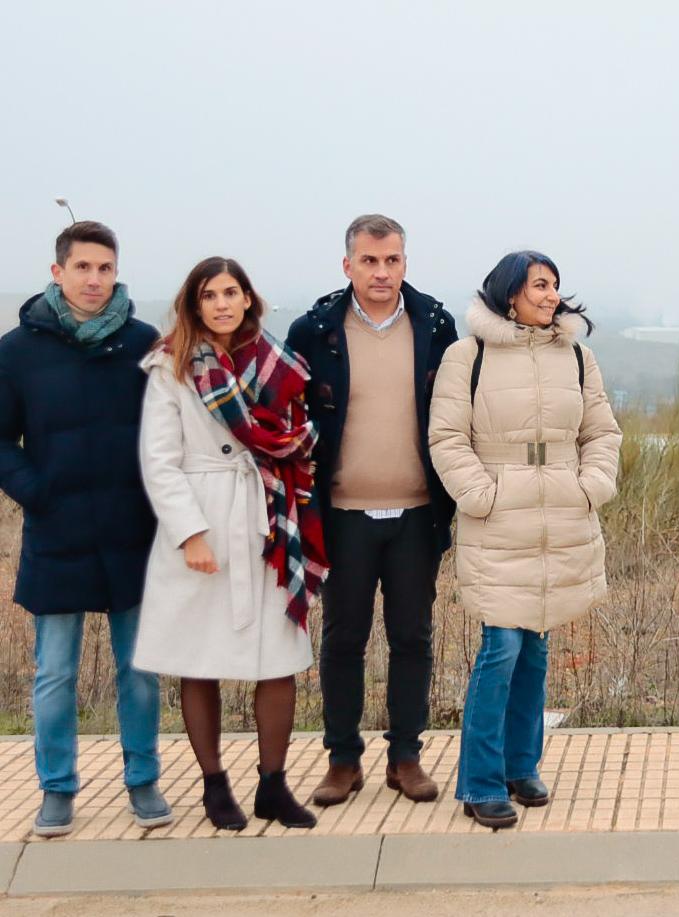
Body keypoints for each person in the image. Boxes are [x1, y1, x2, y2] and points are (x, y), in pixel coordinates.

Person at [429, 250, 621, 828]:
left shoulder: (579, 356)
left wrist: (592, 485)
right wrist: (483, 495)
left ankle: (520, 766)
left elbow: (602, 430)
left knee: (535, 648)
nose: (550, 295)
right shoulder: (469, 355)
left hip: (561, 512)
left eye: (555, 286)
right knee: (502, 647)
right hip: (499, 517)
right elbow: (446, 436)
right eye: (539, 285)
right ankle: (479, 782)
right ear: (509, 292)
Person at [133, 257, 324, 830]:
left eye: (231, 292)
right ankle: (214, 785)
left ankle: (273, 785)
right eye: (209, 295)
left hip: (268, 521)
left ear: (247, 298)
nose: (221, 303)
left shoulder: (280, 363)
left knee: (279, 659)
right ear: (194, 305)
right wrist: (190, 534)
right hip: (204, 521)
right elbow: (159, 462)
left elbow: (298, 433)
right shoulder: (170, 368)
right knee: (199, 658)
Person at [0, 221, 170, 837]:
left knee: (141, 668)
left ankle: (144, 780)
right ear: (58, 272)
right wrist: (36, 491)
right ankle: (56, 787)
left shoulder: (143, 342)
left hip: (132, 527)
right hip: (57, 528)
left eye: (105, 268)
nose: (94, 279)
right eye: (82, 268)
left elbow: (169, 428)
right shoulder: (17, 349)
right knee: (54, 673)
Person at [286, 215, 458, 807]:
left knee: (412, 638)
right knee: (342, 641)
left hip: (417, 513)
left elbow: (457, 413)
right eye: (369, 261)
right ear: (348, 265)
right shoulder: (314, 331)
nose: (381, 272)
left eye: (391, 261)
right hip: (342, 513)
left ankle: (406, 758)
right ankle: (342, 761)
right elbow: (290, 418)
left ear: (405, 263)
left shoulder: (435, 326)